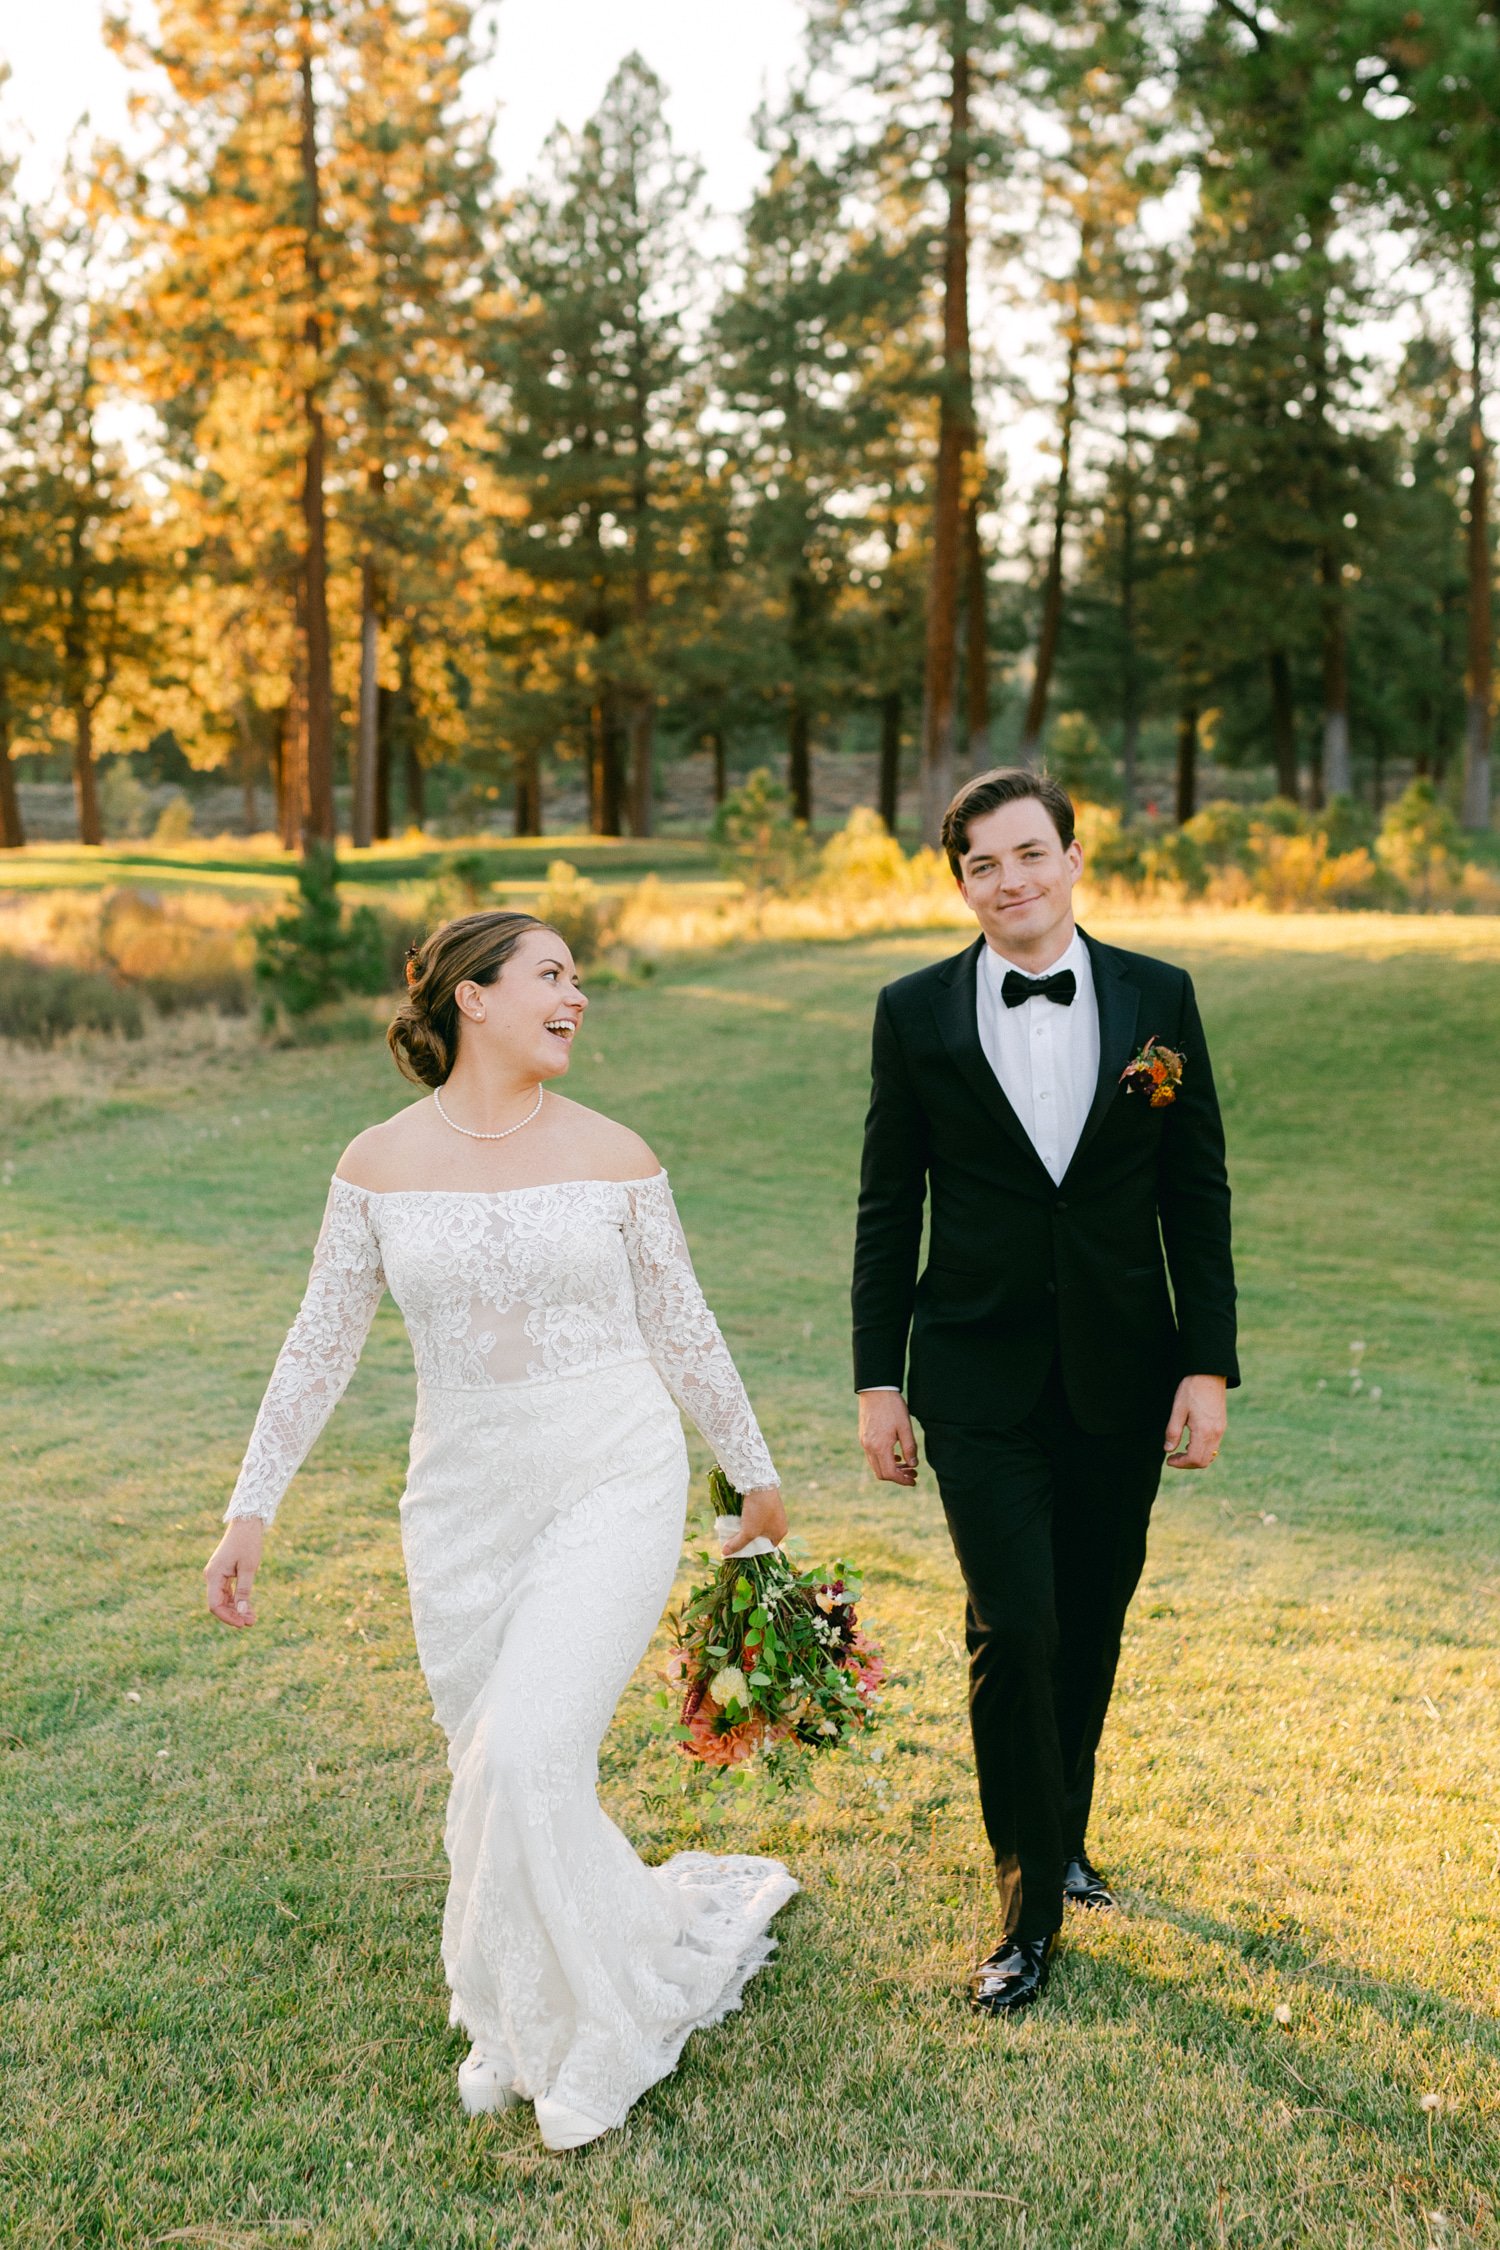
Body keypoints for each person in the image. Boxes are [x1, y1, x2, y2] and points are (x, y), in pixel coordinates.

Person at [203, 910, 795, 2150]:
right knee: (491, 1768)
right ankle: (512, 2020)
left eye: (579, 977)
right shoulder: (375, 1164)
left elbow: (682, 1324)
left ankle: (612, 2037)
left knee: (529, 1751)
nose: (577, 995)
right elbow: (317, 1348)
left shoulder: (618, 1154)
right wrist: (250, 1506)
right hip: (461, 1505)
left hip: (611, 1478)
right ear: (473, 997)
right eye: (552, 975)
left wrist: (752, 1473)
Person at [852, 769, 1237, 2017]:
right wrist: (877, 1380)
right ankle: (1025, 1913)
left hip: (1125, 1371)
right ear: (958, 880)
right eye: (982, 865)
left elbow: (1198, 1193)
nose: (1009, 882)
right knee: (1015, 1624)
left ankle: (1060, 1831)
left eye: (1030, 855)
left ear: (1075, 857)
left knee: (1089, 1621)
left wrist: (1206, 1362)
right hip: (974, 1373)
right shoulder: (912, 1014)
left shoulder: (1157, 999)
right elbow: (885, 1203)